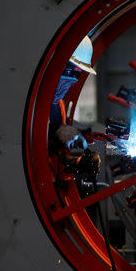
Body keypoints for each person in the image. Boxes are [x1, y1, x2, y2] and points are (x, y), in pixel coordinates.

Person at [49, 36, 101, 184]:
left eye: (78, 73)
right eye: (70, 69)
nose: (71, 78)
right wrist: (54, 131)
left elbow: (51, 152)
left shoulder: (58, 107)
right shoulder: (23, 96)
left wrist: (76, 161)